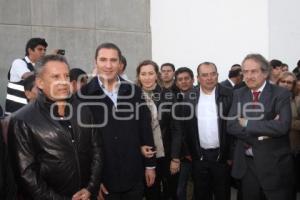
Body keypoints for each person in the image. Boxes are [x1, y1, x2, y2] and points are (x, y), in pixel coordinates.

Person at [8, 54, 102, 200]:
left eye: (66, 76)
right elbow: (26, 174)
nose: (63, 82)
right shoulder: (22, 120)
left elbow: (97, 150)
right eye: (56, 77)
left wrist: (91, 188)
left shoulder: (84, 110)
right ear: (40, 82)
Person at [79, 43, 156, 200]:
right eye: (103, 60)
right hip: (103, 180)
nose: (108, 65)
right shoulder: (83, 95)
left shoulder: (134, 91)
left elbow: (145, 128)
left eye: (113, 60)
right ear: (95, 62)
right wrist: (93, 181)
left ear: (120, 63)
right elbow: (82, 143)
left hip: (133, 175)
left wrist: (150, 165)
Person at [227, 54, 294, 200]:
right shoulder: (239, 93)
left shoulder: (281, 93)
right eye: (245, 72)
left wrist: (247, 123)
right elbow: (231, 125)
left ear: (265, 73)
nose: (249, 76)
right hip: (247, 165)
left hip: (274, 165)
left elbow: (283, 126)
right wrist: (264, 133)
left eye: (254, 71)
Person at [176, 62, 233, 200]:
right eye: (205, 75)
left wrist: (231, 154)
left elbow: (234, 127)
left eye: (213, 74)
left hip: (222, 157)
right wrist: (188, 152)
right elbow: (182, 128)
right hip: (198, 157)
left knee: (222, 193)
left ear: (217, 75)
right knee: (201, 194)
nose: (209, 78)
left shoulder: (230, 95)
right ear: (198, 78)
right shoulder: (189, 97)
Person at [136, 60, 180, 200]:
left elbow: (176, 129)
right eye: (143, 74)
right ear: (139, 76)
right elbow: (129, 129)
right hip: (142, 155)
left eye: (151, 73)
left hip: (165, 154)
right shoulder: (132, 97)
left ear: (157, 75)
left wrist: (175, 158)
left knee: (169, 192)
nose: (147, 77)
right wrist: (139, 146)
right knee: (150, 193)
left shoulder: (168, 95)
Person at [5, 38, 48, 115]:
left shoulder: (41, 67)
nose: (43, 52)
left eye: (44, 50)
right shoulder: (18, 62)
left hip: (32, 114)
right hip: (15, 114)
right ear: (30, 50)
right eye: (40, 49)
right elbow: (27, 76)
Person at [277, 71, 300, 198]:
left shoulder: (297, 100)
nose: (285, 85)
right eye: (283, 81)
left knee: (289, 185)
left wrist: (287, 122)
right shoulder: (270, 98)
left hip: (292, 150)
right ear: (278, 82)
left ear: (293, 85)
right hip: (273, 150)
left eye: (289, 82)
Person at [173, 67, 195, 200]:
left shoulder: (201, 97)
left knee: (201, 188)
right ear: (176, 83)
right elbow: (177, 129)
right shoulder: (174, 99)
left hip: (200, 153)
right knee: (180, 189)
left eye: (187, 78)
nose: (184, 82)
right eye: (180, 79)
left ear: (193, 80)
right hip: (182, 154)